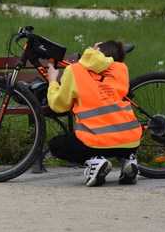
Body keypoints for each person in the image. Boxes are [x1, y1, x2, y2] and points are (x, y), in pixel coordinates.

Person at [46, 41, 141, 187]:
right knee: (118, 139)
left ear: (95, 50)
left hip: (96, 143)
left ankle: (96, 161)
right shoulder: (121, 69)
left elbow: (59, 105)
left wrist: (52, 81)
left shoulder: (75, 70)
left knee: (56, 145)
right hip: (130, 141)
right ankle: (129, 160)